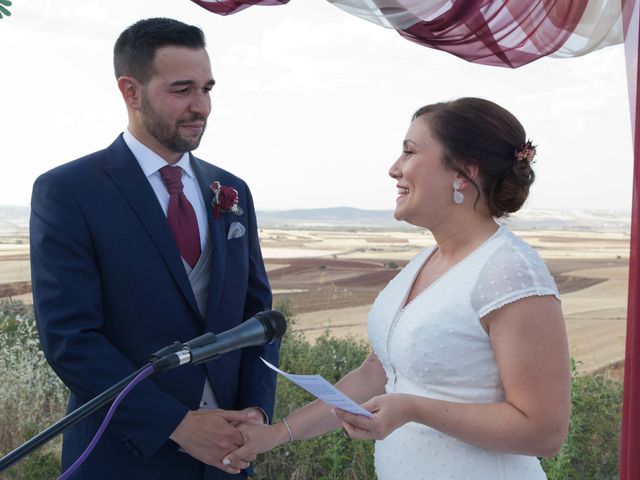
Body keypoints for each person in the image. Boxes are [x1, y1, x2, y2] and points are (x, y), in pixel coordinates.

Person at [225, 97, 571, 479]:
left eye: (409, 152)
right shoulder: (423, 262)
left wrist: (412, 409)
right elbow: (374, 375)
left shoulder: (509, 270)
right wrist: (274, 435)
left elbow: (544, 431)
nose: (394, 169)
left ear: (463, 173)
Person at [30, 17, 278, 479]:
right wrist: (177, 425)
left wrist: (256, 413)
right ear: (130, 91)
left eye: (207, 88)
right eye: (181, 89)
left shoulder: (233, 191)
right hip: (122, 455)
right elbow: (70, 339)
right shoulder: (69, 190)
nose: (200, 105)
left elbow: (260, 318)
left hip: (229, 459)